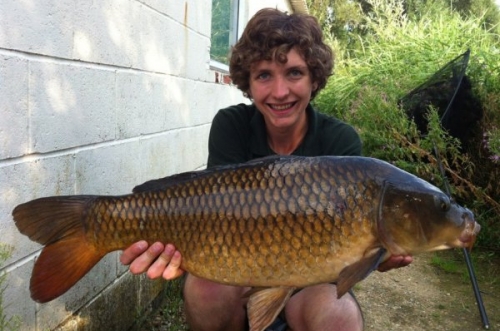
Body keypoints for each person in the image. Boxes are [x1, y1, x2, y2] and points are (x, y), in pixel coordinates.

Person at [120, 8, 412, 331]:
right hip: (240, 276)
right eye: (264, 75)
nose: (280, 91)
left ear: (314, 78)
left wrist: (375, 258)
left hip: (311, 287)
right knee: (204, 291)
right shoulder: (231, 127)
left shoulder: (340, 142)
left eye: (294, 73)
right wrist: (171, 245)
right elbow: (211, 215)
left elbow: (352, 257)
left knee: (339, 315)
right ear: (247, 82)